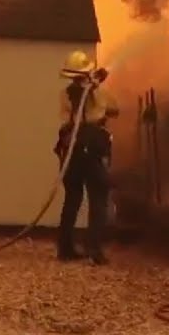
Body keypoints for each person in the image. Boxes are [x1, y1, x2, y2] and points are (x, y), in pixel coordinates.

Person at [54, 50, 119, 265]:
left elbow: (68, 120)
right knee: (98, 198)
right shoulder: (98, 93)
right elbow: (114, 109)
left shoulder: (64, 94)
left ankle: (65, 248)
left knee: (72, 199)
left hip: (71, 152)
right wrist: (98, 87)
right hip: (90, 151)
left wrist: (95, 86)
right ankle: (94, 250)